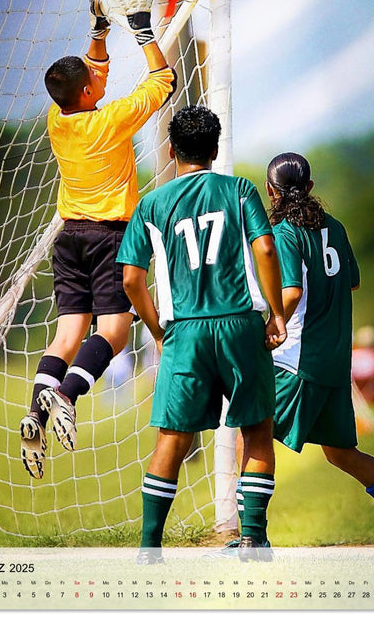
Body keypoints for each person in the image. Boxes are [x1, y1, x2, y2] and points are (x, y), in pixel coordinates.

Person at [20, 0, 176, 480]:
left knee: (67, 334)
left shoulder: (58, 117)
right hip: (110, 234)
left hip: (70, 238)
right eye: (94, 76)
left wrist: (100, 29)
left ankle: (36, 413)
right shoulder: (111, 119)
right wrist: (143, 31)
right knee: (114, 330)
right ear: (89, 92)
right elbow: (163, 82)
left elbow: (93, 73)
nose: (99, 75)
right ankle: (66, 395)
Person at [116, 105, 287, 564]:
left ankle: (149, 549)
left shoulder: (151, 204)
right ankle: (253, 538)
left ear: (171, 150)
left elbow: (132, 279)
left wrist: (157, 331)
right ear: (215, 148)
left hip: (185, 332)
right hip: (239, 324)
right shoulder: (239, 190)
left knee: (172, 438)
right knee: (256, 431)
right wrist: (276, 314)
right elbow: (266, 248)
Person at [259, 152, 374, 548]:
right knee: (342, 453)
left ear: (270, 191)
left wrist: (271, 320)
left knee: (254, 435)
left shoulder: (283, 231)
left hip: (296, 360)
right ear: (310, 188)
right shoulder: (334, 227)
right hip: (336, 362)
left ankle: (251, 535)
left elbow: (292, 291)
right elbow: (351, 282)